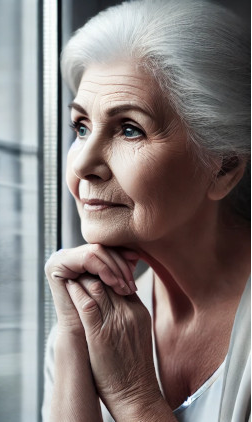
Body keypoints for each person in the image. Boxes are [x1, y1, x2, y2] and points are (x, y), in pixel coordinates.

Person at [42, 1, 250, 421]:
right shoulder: (91, 312)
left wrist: (132, 395)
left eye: (129, 129)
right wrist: (70, 341)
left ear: (223, 167)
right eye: (81, 127)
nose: (82, 164)